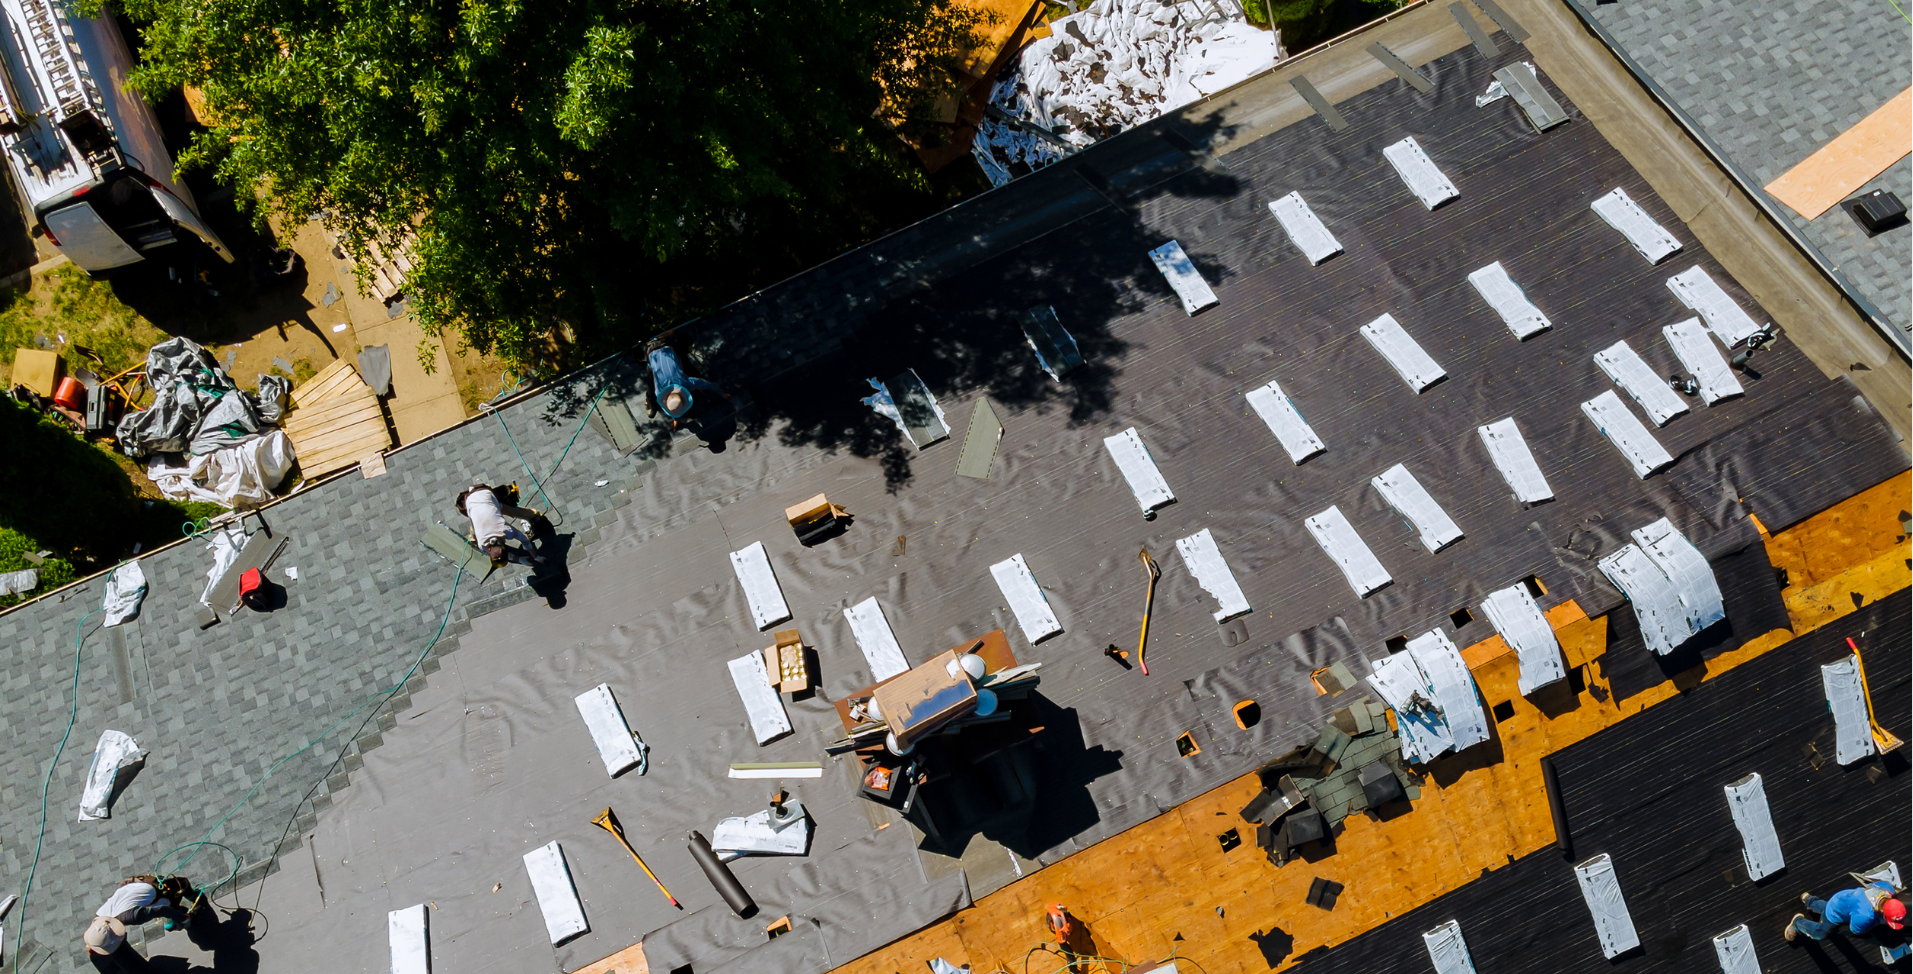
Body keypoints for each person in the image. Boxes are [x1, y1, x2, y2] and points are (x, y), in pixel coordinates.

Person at [83, 876, 184, 972]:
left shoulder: (134, 916)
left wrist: (183, 920)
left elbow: (162, 910)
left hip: (155, 892)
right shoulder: (100, 917)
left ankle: (178, 912)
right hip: (133, 886)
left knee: (167, 907)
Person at [456, 481, 550, 567]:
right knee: (475, 530)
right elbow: (522, 542)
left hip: (481, 495)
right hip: (470, 500)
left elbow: (524, 540)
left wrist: (533, 557)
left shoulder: (505, 531)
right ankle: (474, 536)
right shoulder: (482, 544)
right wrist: (527, 558)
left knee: (511, 511)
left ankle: (534, 514)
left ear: (489, 549)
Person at [1786, 879, 1907, 942]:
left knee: (1827, 906)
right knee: (1820, 934)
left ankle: (1808, 900)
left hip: (1842, 897)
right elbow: (1855, 930)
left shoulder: (1887, 889)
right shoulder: (1865, 916)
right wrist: (1878, 921)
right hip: (1835, 914)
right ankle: (1797, 923)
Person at [648, 345, 730, 429]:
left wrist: (721, 393)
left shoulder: (684, 383)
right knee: (651, 383)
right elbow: (706, 384)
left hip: (661, 352)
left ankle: (651, 403)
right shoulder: (659, 392)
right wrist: (721, 393)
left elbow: (705, 384)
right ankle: (650, 402)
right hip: (654, 354)